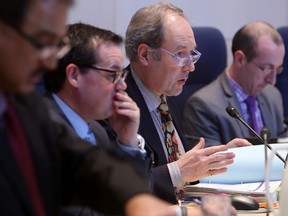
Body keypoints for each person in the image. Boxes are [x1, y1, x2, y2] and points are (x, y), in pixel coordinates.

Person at [0, 0, 220, 215]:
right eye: (42, 41)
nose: (49, 63)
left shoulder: (28, 108)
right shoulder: (45, 111)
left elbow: (94, 169)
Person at [124, 2, 250, 204]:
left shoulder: (165, 94)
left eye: (192, 54)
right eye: (180, 54)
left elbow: (182, 162)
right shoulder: (115, 106)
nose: (190, 67)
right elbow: (121, 188)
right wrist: (178, 172)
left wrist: (216, 159)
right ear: (145, 55)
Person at [43, 22, 152, 215]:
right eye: (112, 74)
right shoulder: (43, 131)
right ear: (74, 75)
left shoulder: (97, 131)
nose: (122, 86)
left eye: (122, 75)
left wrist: (128, 142)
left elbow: (134, 201)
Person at [183, 21, 288, 147]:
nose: (272, 80)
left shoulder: (273, 95)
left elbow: (283, 147)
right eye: (266, 68)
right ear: (240, 59)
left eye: (277, 69)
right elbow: (210, 163)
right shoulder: (202, 106)